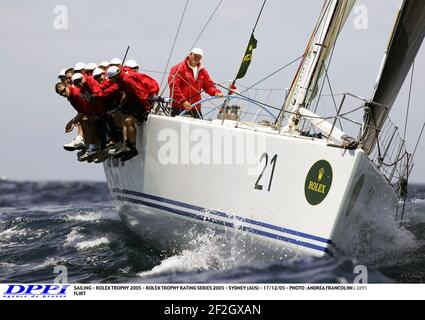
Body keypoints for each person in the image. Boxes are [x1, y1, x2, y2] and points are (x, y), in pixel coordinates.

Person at [106, 65, 159, 160]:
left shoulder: (126, 79)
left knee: (129, 121)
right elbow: (127, 92)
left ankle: (133, 147)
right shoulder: (122, 78)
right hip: (137, 100)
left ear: (115, 76)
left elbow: (140, 92)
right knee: (124, 118)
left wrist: (147, 107)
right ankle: (126, 145)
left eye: (112, 79)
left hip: (148, 94)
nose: (111, 81)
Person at [168, 48, 223, 118]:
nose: (196, 58)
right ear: (190, 55)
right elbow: (173, 85)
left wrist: (216, 92)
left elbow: (208, 85)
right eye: (195, 56)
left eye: (199, 57)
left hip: (195, 108)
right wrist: (183, 101)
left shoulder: (202, 70)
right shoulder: (179, 68)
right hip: (179, 107)